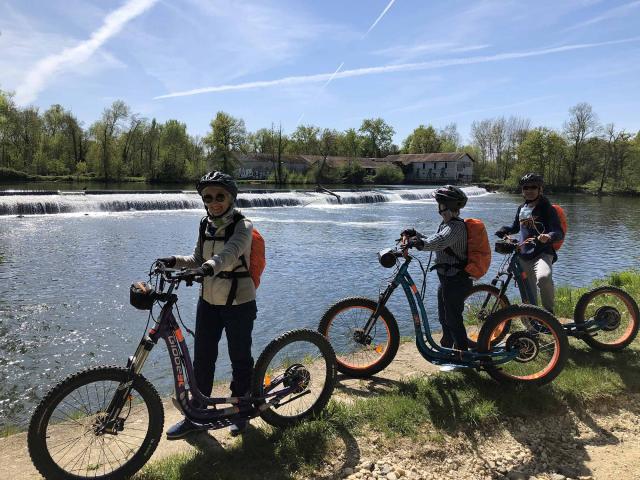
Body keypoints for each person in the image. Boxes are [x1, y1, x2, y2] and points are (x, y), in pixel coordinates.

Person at [157, 171, 257, 438]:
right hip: (209, 302)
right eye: (208, 197)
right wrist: (172, 260)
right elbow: (195, 258)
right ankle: (197, 415)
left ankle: (241, 411)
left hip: (239, 302)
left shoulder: (242, 225)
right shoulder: (205, 224)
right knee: (202, 358)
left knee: (239, 358)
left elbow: (229, 254)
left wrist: (208, 267)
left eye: (219, 196)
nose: (214, 202)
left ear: (231, 197)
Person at [401, 185, 472, 363]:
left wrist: (420, 244)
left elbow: (439, 241)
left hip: (457, 279)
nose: (438, 208)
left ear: (445, 206)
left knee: (453, 318)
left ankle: (463, 355)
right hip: (447, 279)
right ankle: (447, 348)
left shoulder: (455, 227)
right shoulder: (447, 224)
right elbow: (435, 238)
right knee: (444, 317)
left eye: (439, 204)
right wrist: (416, 235)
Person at [495, 173, 564, 313]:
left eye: (533, 187)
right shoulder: (522, 208)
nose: (529, 190)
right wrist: (504, 230)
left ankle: (550, 316)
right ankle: (532, 324)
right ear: (522, 190)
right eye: (526, 187)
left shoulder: (547, 208)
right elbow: (516, 227)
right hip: (523, 254)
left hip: (542, 253)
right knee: (527, 293)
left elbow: (558, 232)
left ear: (540, 190)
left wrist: (549, 236)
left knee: (544, 278)